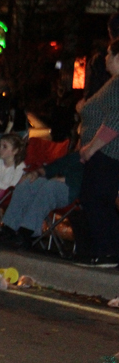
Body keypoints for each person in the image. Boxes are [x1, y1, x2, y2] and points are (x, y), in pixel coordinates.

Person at [75, 38, 119, 267]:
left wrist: (91, 148)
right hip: (106, 154)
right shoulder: (113, 83)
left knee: (97, 200)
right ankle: (104, 250)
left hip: (106, 153)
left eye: (110, 54)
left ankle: (107, 250)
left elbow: (114, 121)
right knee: (98, 200)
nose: (105, 58)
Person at [0, 151, 82, 249]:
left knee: (50, 187)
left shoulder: (95, 159)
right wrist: (35, 173)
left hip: (74, 191)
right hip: (55, 182)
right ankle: (9, 228)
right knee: (27, 182)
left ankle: (27, 232)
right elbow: (51, 168)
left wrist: (63, 179)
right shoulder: (76, 155)